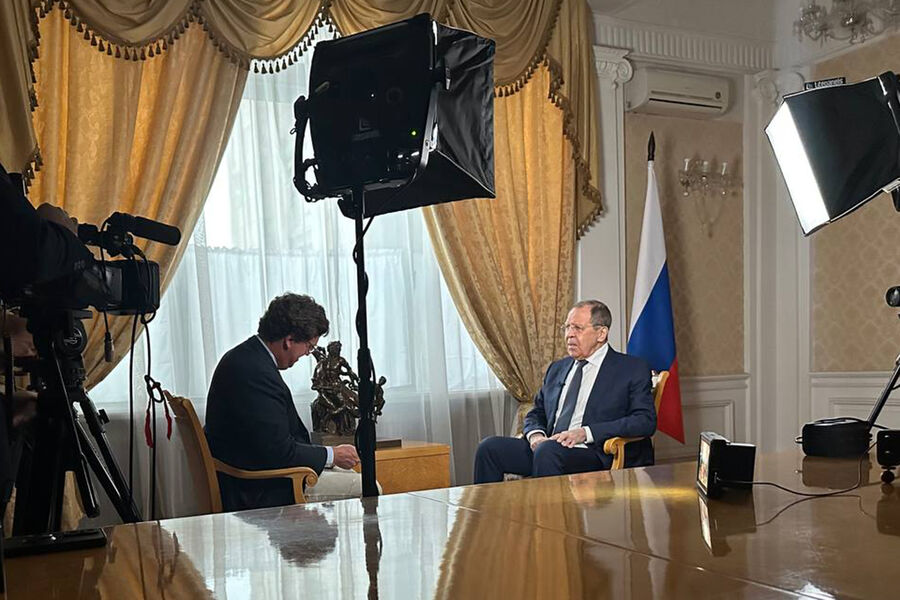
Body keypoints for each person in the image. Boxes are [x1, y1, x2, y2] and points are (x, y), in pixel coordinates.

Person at [204, 293, 362, 511]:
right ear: (289, 340)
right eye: (309, 346)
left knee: (349, 473)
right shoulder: (255, 372)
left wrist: (329, 455)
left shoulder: (246, 357)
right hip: (260, 489)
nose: (306, 354)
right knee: (368, 487)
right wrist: (332, 455)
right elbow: (279, 452)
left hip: (250, 474)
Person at [473, 300, 656, 483]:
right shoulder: (557, 368)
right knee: (489, 448)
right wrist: (536, 435)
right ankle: (490, 505)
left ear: (601, 333)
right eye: (567, 327)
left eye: (577, 328)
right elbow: (537, 411)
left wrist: (585, 432)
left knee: (548, 452)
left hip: (594, 453)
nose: (569, 335)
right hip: (548, 448)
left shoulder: (631, 369)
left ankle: (545, 503)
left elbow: (644, 420)